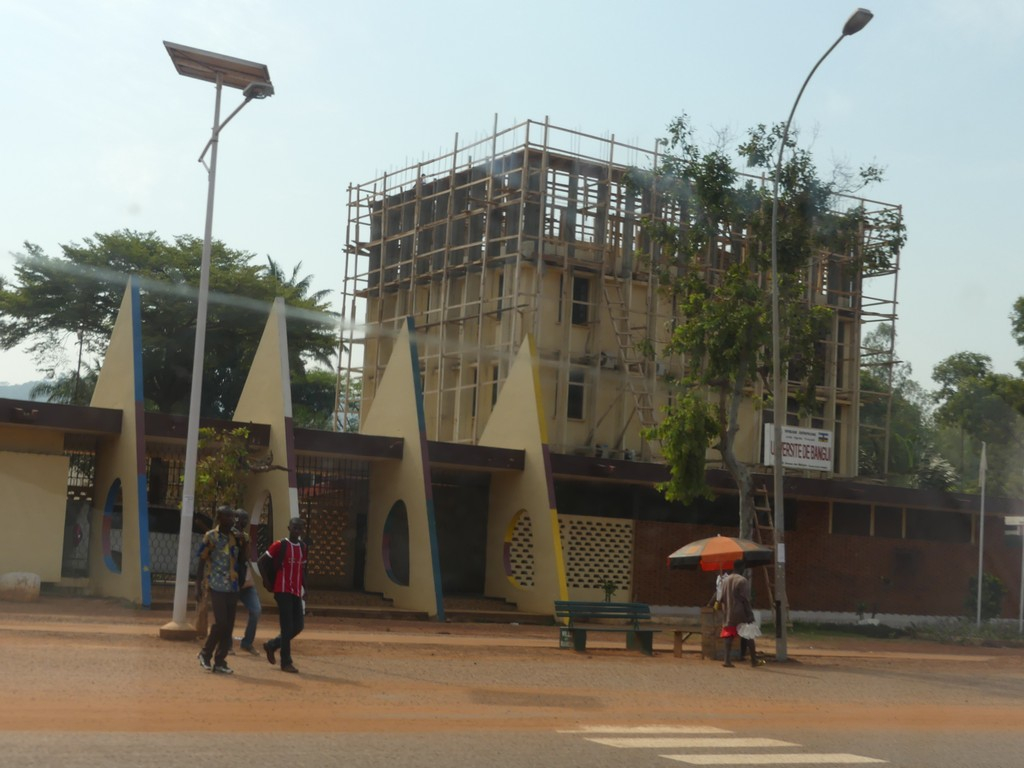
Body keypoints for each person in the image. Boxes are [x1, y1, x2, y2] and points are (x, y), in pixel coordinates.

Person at [195, 506, 243, 674]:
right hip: (216, 584)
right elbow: (201, 561)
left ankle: (220, 661)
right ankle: (205, 653)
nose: (231, 519)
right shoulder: (210, 537)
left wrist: (242, 540)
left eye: (233, 517)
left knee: (228, 626)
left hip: (232, 585)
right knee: (221, 622)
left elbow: (243, 559)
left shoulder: (236, 537)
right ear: (220, 518)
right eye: (228, 516)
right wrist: (197, 584)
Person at [261, 517, 308, 674]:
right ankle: (286, 662)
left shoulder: (303, 547)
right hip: (282, 590)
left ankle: (272, 645)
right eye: (294, 527)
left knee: (298, 626)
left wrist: (304, 588)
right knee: (287, 626)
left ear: (303, 530)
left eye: (300, 528)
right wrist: (267, 582)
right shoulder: (280, 545)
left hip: (295, 591)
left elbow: (302, 570)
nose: (297, 531)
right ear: (289, 528)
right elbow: (262, 562)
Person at [719, 566, 763, 668]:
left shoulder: (725, 581)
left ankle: (727, 660)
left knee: (728, 635)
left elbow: (720, 598)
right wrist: (750, 614)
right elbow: (745, 599)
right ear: (742, 570)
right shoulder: (742, 581)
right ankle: (753, 660)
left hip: (728, 611)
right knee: (748, 635)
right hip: (740, 612)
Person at [232, 510, 262, 656]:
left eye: (245, 519)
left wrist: (243, 542)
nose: (242, 522)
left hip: (244, 579)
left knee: (255, 610)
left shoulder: (245, 537)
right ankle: (226, 644)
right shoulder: (225, 535)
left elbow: (247, 557)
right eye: (240, 518)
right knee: (229, 613)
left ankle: (247, 642)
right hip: (230, 579)